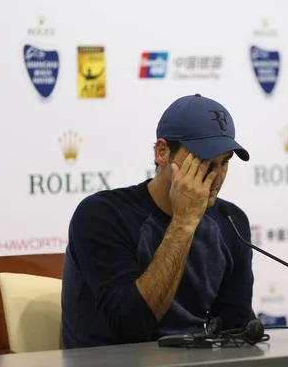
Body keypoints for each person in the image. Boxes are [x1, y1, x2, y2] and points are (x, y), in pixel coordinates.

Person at [61, 93, 256, 348]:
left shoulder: (231, 222)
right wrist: (184, 223)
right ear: (162, 152)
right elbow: (131, 326)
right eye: (203, 163)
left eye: (224, 162)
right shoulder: (101, 215)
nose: (216, 177)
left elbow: (237, 329)